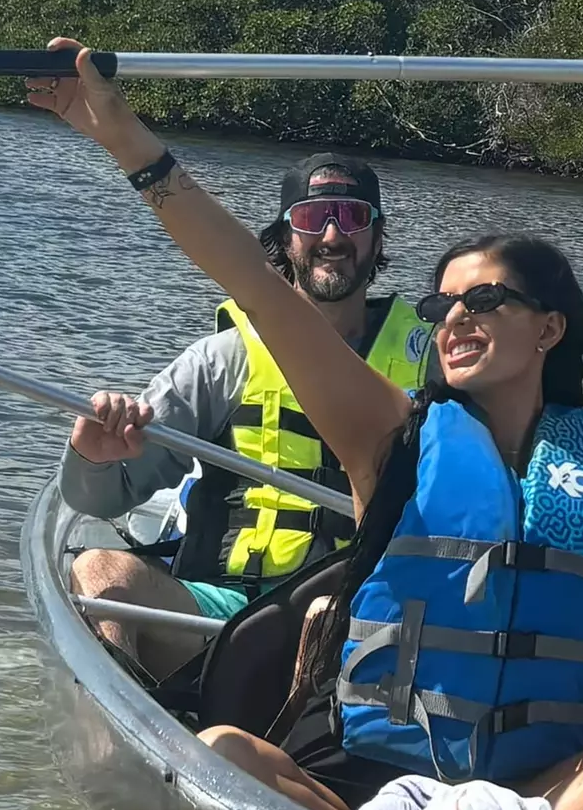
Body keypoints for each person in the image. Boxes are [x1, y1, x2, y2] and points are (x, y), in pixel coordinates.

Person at [30, 39, 583, 810]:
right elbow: (251, 277)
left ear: (550, 328)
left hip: (534, 797)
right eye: (442, 302)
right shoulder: (389, 436)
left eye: (484, 300)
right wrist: (123, 136)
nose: (452, 319)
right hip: (372, 792)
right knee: (227, 753)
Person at [62, 153, 432, 675]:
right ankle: (125, 731)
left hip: (362, 617)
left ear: (377, 238)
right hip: (224, 615)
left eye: (351, 217)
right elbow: (95, 500)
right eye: (310, 218)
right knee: (99, 573)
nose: (332, 235)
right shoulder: (220, 361)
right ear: (284, 240)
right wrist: (93, 459)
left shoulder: (432, 358)